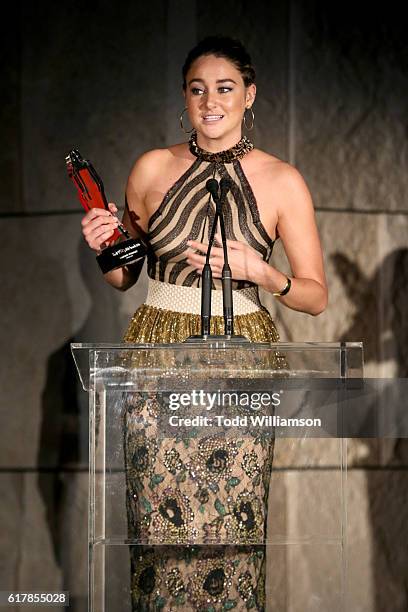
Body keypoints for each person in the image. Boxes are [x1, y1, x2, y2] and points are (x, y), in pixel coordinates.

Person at [81, 36, 327, 611]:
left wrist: (263, 272)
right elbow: (127, 275)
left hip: (240, 356)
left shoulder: (282, 180)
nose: (210, 102)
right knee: (156, 523)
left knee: (232, 526)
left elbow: (314, 297)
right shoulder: (150, 167)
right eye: (197, 90)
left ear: (249, 95)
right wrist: (104, 249)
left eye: (224, 88)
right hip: (156, 350)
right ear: (184, 99)